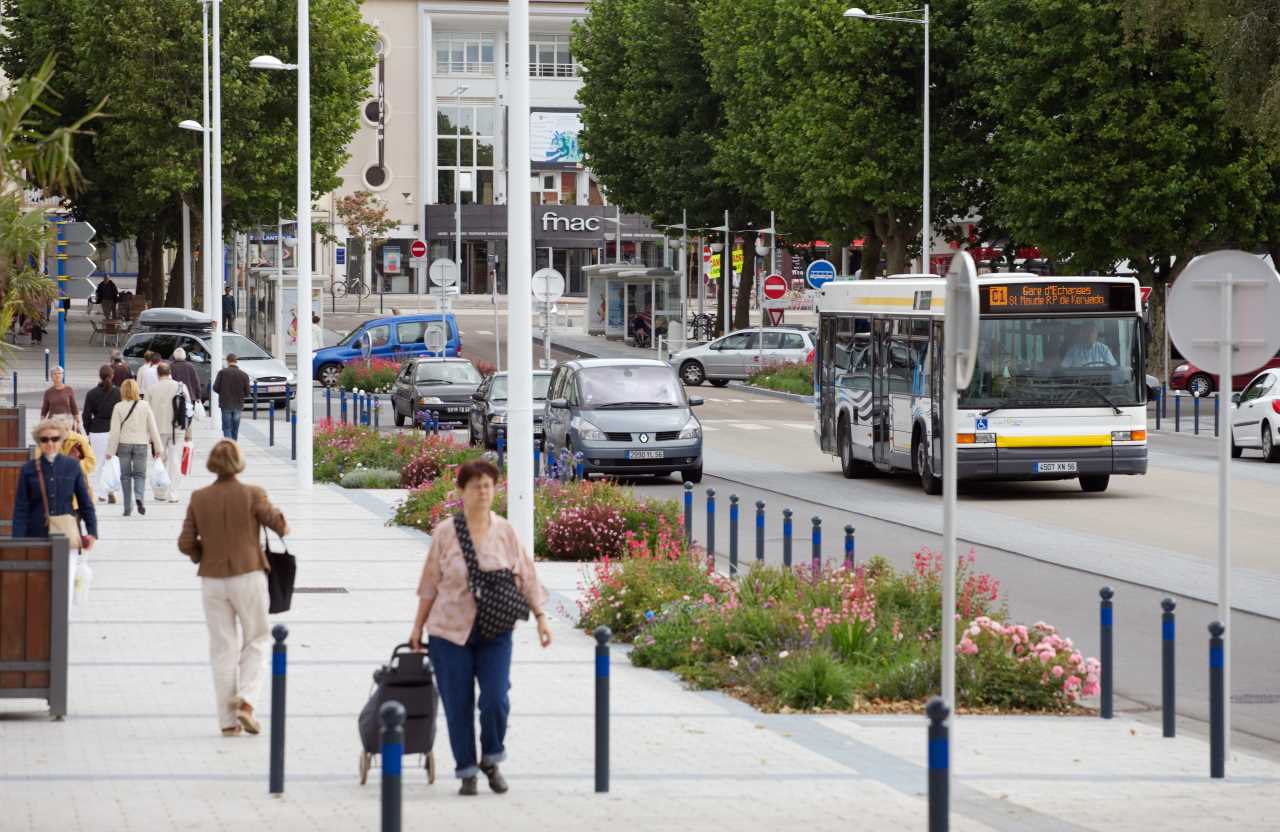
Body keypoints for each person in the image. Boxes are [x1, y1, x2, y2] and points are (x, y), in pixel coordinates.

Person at [410, 458, 552, 796]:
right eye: (476, 487)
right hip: (448, 631)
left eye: (488, 486)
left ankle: (491, 756)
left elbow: (526, 575)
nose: (484, 492)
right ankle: (467, 771)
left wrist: (541, 618)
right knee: (457, 704)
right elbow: (430, 583)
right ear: (462, 491)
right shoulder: (446, 533)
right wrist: (417, 627)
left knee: (495, 698)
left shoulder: (504, 531)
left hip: (495, 630)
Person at [177, 439, 289, 737]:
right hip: (249, 574)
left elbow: (185, 543)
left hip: (212, 580)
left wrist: (205, 556)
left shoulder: (199, 497)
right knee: (257, 639)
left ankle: (227, 721)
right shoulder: (252, 494)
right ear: (239, 464)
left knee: (222, 648)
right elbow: (279, 526)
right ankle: (247, 703)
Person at [12, 417, 97, 549]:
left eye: (55, 439)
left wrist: (92, 532)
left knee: (67, 569)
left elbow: (85, 502)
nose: (50, 443)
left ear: (61, 439)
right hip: (36, 535)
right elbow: (21, 507)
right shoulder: (28, 469)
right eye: (44, 439)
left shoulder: (73, 467)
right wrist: (17, 541)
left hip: (66, 534)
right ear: (38, 441)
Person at [106, 378, 163, 517]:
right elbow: (153, 428)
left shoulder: (118, 407)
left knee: (125, 476)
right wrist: (158, 447)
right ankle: (139, 497)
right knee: (140, 475)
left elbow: (115, 432)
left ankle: (127, 507)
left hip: (124, 445)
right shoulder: (145, 405)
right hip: (141, 445)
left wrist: (110, 451)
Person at [147, 363, 191, 503]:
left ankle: (160, 492)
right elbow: (189, 410)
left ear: (157, 374)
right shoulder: (181, 386)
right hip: (177, 429)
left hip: (157, 431)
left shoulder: (151, 389)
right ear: (170, 372)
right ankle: (174, 493)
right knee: (175, 461)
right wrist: (189, 431)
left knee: (159, 461)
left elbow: (146, 412)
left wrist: (147, 433)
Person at [83, 365, 122, 504]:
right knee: (111, 461)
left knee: (99, 463)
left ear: (99, 376)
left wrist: (89, 431)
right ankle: (111, 490)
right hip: (113, 430)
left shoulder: (92, 393)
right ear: (112, 376)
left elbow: (86, 415)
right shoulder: (118, 392)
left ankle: (102, 493)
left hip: (97, 430)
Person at [212, 353, 251, 440]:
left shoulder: (222, 373)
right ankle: (234, 446)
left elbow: (215, 388)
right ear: (236, 361)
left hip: (225, 404)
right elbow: (248, 392)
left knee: (226, 428)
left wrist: (223, 392)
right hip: (238, 404)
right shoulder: (244, 375)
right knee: (235, 429)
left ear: (227, 361)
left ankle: (228, 446)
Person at [41, 366, 81, 432]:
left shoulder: (69, 390)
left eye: (59, 373)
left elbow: (74, 407)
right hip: (53, 424)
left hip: (67, 423)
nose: (57, 375)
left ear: (62, 375)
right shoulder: (48, 392)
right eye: (55, 373)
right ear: (51, 376)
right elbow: (44, 410)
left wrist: (78, 422)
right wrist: (42, 424)